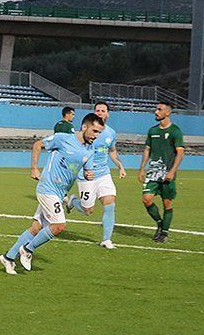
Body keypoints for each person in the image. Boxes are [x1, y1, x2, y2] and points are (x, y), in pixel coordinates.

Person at [0, 113, 104, 274]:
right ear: (84, 127)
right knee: (59, 225)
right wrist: (34, 167)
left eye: (99, 133)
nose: (96, 136)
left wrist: (88, 175)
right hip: (47, 189)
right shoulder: (63, 138)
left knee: (36, 228)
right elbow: (37, 144)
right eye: (95, 131)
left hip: (60, 193)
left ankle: (8, 257)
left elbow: (86, 171)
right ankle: (27, 250)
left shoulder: (90, 150)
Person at [64, 102, 126, 249]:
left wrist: (120, 166)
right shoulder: (86, 131)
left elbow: (112, 151)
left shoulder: (111, 133)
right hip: (86, 176)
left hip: (104, 173)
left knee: (110, 203)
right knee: (88, 211)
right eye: (97, 110)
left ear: (107, 114)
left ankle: (106, 239)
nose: (99, 112)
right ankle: (72, 202)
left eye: (102, 111)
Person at [137, 102, 185, 243]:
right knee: (146, 199)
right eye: (156, 109)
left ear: (168, 113)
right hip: (153, 172)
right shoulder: (153, 131)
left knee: (167, 204)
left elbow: (180, 153)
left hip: (167, 174)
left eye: (159, 109)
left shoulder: (175, 131)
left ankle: (164, 232)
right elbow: (147, 150)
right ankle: (160, 223)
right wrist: (141, 169)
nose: (156, 112)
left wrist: (172, 172)